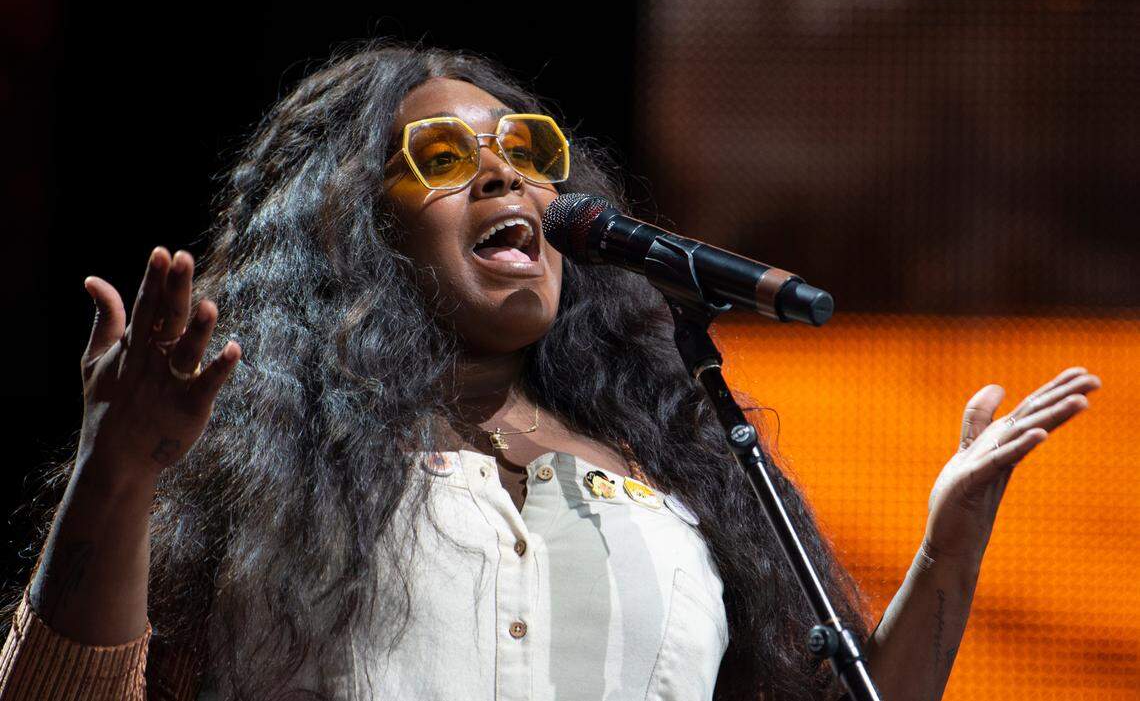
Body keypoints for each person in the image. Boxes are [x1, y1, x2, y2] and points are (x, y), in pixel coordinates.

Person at [0, 42, 1099, 701]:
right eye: (439, 160)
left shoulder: (673, 473)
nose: (501, 177)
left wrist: (949, 551)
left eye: (527, 153)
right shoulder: (260, 469)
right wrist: (120, 465)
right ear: (348, 233)